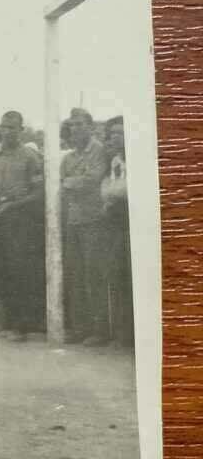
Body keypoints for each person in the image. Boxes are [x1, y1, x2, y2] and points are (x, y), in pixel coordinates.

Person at [0, 111, 45, 341]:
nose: (7, 131)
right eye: (4, 127)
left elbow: (39, 193)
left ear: (21, 130)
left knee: (20, 272)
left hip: (21, 218)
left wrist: (12, 206)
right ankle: (6, 321)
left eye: (12, 127)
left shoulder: (29, 156)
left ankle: (22, 325)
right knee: (0, 270)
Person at [60, 108, 110, 346]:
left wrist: (71, 182)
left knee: (94, 274)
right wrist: (72, 182)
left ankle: (100, 330)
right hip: (73, 221)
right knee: (75, 274)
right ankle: (80, 328)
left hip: (94, 221)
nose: (75, 128)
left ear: (90, 126)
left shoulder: (98, 150)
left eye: (80, 124)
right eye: (72, 124)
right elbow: (62, 183)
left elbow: (93, 180)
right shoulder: (68, 157)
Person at [101, 115, 132, 347]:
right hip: (115, 223)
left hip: (132, 222)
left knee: (132, 276)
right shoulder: (114, 162)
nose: (114, 138)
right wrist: (111, 192)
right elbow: (106, 191)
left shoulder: (138, 160)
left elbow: (122, 191)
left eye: (119, 133)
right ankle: (123, 334)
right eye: (111, 134)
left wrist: (112, 192)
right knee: (117, 275)